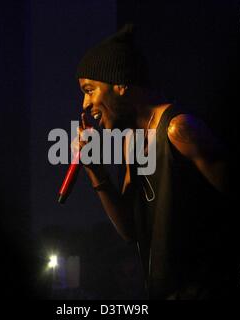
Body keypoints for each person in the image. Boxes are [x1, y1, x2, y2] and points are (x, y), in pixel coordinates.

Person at [73, 25, 230, 299]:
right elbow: (131, 230)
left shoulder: (179, 130)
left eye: (90, 90)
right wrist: (96, 170)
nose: (85, 104)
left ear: (120, 84)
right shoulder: (131, 141)